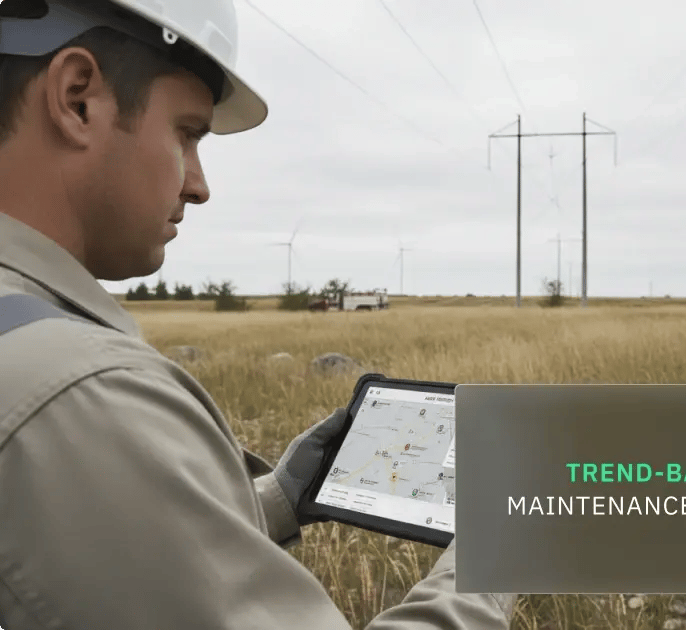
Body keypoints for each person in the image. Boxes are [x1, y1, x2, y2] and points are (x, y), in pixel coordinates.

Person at [0, 0, 517, 627]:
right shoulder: (85, 396)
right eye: (187, 134)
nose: (198, 183)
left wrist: (273, 501)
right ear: (78, 98)